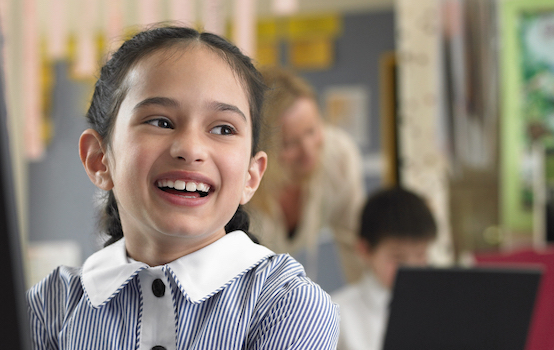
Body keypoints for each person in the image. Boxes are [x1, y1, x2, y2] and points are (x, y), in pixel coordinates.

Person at [26, 26, 339, 349]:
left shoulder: (289, 305)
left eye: (222, 128)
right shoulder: (51, 307)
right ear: (99, 160)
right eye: (160, 121)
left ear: (251, 176)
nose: (191, 148)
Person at [247, 68, 365, 288]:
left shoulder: (339, 158)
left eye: (312, 131)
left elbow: (356, 246)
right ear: (260, 149)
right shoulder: (242, 185)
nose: (309, 153)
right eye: (289, 143)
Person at [331, 187, 438, 350]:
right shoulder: (336, 313)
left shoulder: (437, 307)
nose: (411, 267)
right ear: (365, 250)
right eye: (398, 257)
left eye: (420, 254)